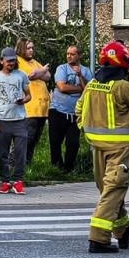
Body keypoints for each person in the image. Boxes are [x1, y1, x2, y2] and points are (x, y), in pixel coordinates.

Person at [79, 40, 129, 253]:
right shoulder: (123, 87)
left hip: (97, 146)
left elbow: (79, 109)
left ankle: (124, 231)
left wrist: (86, 130)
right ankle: (98, 238)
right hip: (119, 148)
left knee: (108, 189)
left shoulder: (92, 85)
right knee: (114, 189)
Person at [0, 46, 31, 195]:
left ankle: (18, 181)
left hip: (19, 119)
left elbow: (29, 95)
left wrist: (23, 100)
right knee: (3, 153)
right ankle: (5, 181)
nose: (11, 63)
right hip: (1, 119)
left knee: (20, 152)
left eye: (13, 61)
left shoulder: (21, 75)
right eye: (8, 61)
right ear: (1, 61)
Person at [48, 44, 91, 173]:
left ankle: (68, 168)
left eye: (72, 54)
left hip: (75, 114)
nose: (68, 56)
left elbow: (89, 89)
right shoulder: (62, 68)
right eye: (67, 53)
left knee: (73, 143)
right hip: (58, 111)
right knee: (55, 142)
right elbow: (62, 87)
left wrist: (80, 76)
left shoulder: (86, 71)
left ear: (79, 55)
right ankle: (56, 168)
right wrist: (81, 89)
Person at [15, 38, 52, 165]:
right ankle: (15, 164)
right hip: (29, 109)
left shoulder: (34, 62)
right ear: (21, 48)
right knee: (27, 139)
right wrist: (41, 71)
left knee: (34, 140)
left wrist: (39, 73)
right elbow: (29, 76)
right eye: (28, 48)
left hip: (41, 109)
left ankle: (27, 164)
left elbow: (48, 76)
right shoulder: (18, 62)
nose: (31, 50)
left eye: (32, 48)